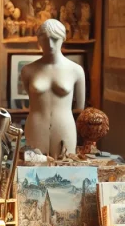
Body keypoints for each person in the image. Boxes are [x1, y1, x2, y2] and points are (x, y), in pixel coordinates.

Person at [20, 19, 85, 157]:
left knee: (65, 171)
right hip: (36, 126)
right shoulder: (28, 70)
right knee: (33, 171)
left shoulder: (76, 70)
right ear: (39, 40)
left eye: (55, 39)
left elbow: (80, 108)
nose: (50, 44)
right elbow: (31, 97)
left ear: (63, 39)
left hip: (64, 127)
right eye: (45, 39)